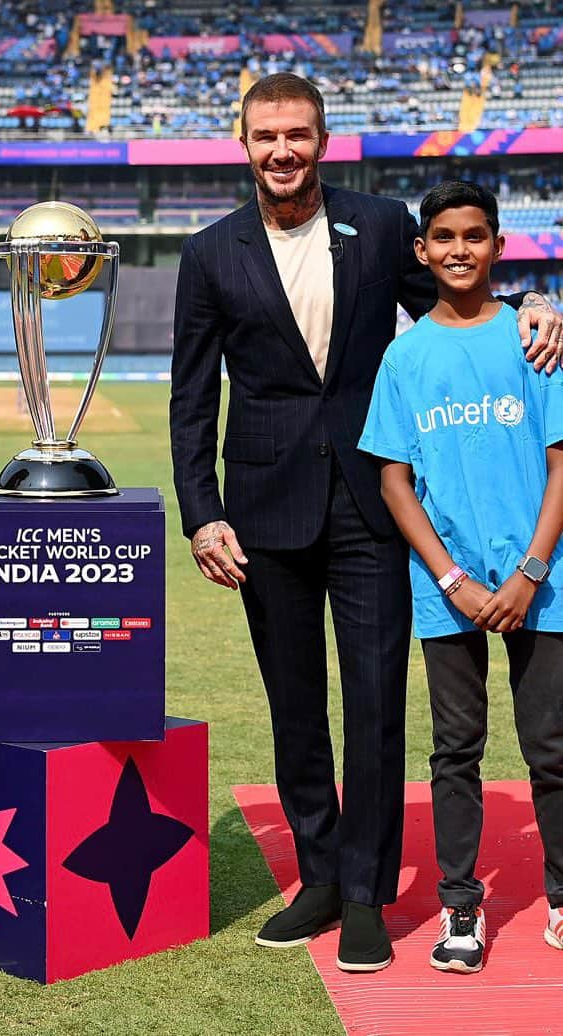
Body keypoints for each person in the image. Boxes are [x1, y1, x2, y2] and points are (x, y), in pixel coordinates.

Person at [169, 73, 563, 972]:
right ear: (244, 142)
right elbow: (193, 400)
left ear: (324, 140)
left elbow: (459, 298)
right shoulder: (209, 252)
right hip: (263, 508)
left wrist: (541, 306)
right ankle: (316, 875)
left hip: (377, 499)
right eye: (266, 135)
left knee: (377, 705)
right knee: (296, 704)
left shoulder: (382, 224)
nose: (282, 150)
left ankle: (363, 894)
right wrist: (201, 513)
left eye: (298, 134)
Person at [359, 180, 563, 974]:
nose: (458, 250)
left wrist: (529, 570)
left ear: (499, 247)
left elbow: (558, 464)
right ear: (422, 250)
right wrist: (452, 580)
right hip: (448, 589)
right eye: (443, 237)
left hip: (540, 581)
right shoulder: (405, 356)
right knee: (457, 749)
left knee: (550, 748)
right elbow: (394, 483)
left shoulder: (534, 337)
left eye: (475, 236)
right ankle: (460, 909)